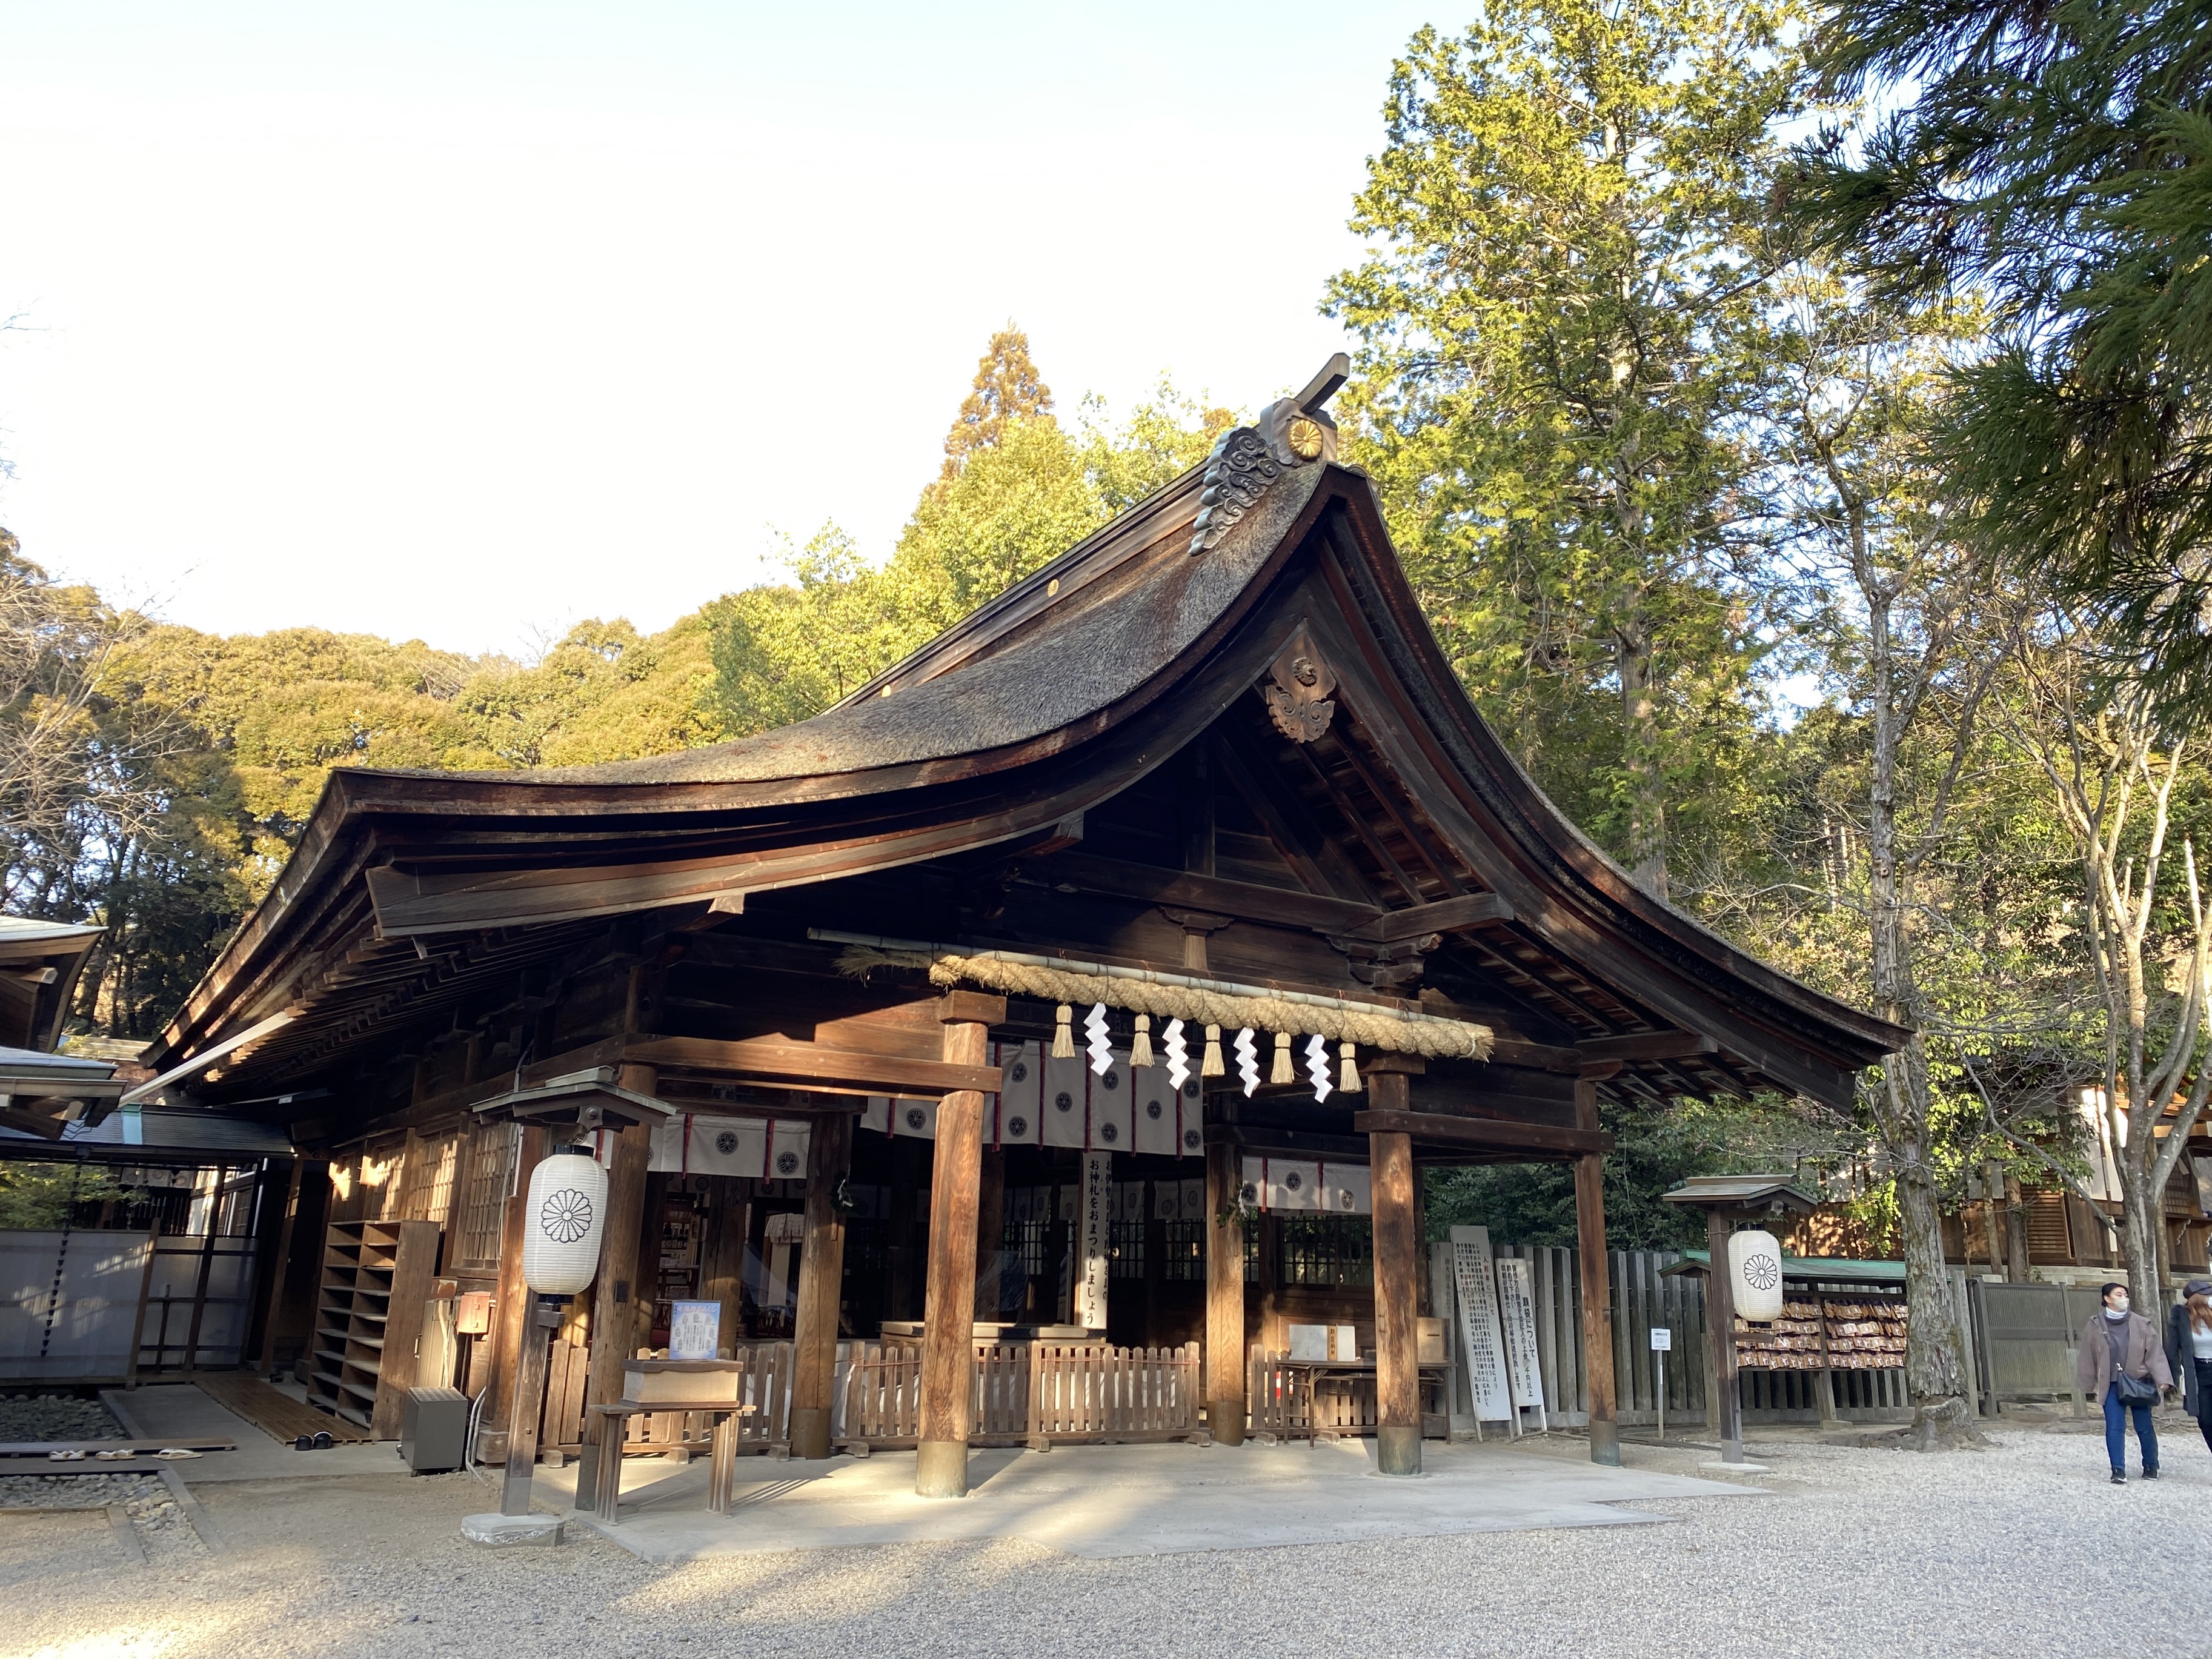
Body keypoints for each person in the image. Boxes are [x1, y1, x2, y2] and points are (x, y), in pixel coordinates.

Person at [2079, 1281, 2171, 1483]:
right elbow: (2087, 1355)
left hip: (2139, 1381)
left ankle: (2151, 1465)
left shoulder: (2141, 1324)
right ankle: (2118, 1470)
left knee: (2144, 1426)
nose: (2124, 1298)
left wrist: (2163, 1379)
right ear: (2107, 1299)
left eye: (2125, 1295)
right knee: (2114, 1426)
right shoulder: (2095, 1324)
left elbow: (2155, 1353)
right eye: (2119, 1295)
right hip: (2111, 1383)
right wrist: (2086, 1383)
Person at [2165, 1277, 2212, 1453]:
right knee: (2205, 1420)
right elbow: (2172, 1349)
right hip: (2198, 1371)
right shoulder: (2182, 1318)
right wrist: (2172, 1377)